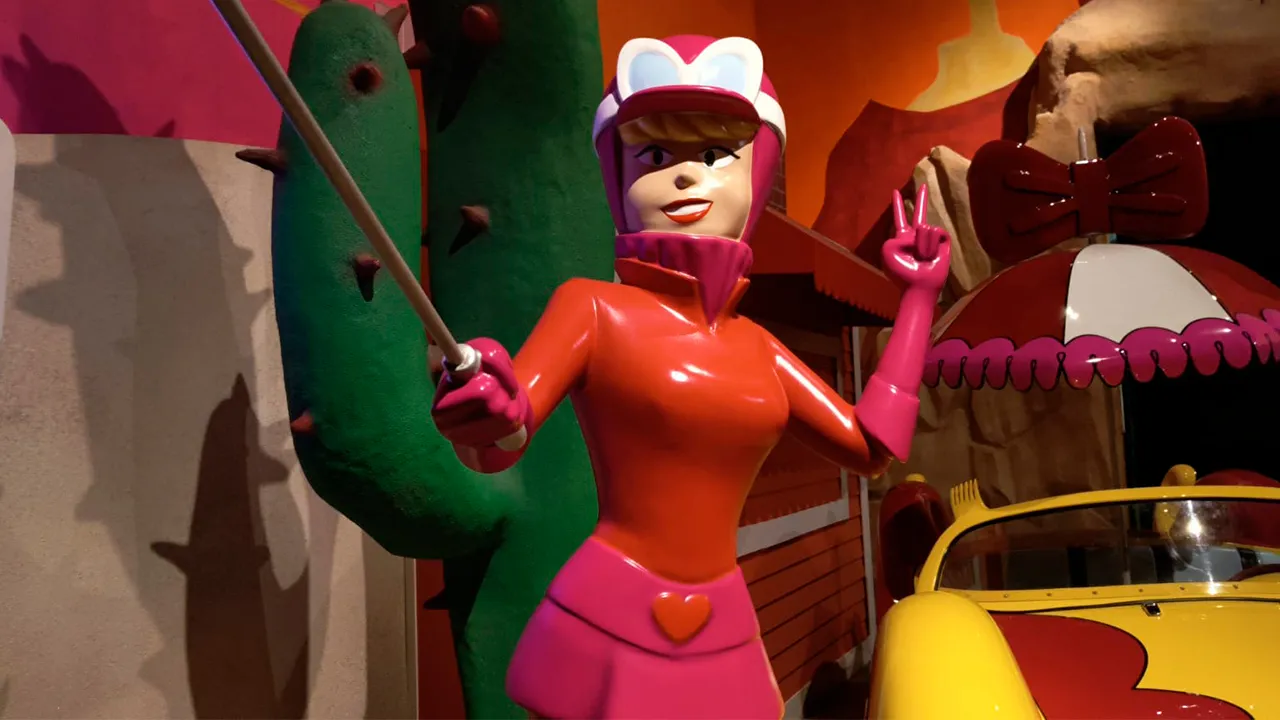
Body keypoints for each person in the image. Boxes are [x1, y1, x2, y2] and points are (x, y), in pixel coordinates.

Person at [431, 35, 951, 719]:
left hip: (722, 620)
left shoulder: (758, 348)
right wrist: (488, 404)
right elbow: (508, 430)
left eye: (714, 156)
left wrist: (918, 300)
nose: (684, 178)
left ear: (758, 175)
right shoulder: (593, 308)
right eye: (654, 156)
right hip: (607, 614)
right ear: (616, 175)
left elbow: (871, 445)